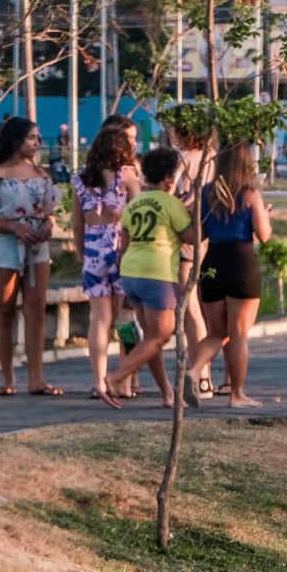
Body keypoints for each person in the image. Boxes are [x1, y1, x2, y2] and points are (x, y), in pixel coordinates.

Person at [0, 117, 61, 397]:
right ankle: (7, 377)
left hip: (36, 247)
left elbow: (50, 211)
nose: (37, 143)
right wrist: (12, 226)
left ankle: (37, 377)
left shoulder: (41, 175)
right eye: (32, 138)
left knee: (36, 310)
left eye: (37, 138)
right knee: (4, 309)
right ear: (16, 140)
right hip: (6, 245)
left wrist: (48, 224)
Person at [185, 141, 271, 409]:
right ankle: (237, 394)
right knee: (238, 333)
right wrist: (266, 215)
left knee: (216, 332)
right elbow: (265, 236)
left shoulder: (208, 193)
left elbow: (195, 235)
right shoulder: (250, 195)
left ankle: (193, 371)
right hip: (241, 263)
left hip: (213, 263)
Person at [109, 146, 195, 407]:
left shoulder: (134, 203)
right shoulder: (171, 204)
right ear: (169, 179)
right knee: (161, 334)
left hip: (131, 271)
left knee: (151, 337)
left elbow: (123, 242)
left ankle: (167, 393)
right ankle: (116, 378)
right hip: (157, 273)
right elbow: (192, 237)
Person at [73, 126, 139, 403]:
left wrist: (80, 252)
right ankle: (124, 380)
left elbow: (78, 224)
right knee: (125, 319)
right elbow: (136, 213)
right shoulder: (127, 176)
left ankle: (99, 381)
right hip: (121, 249)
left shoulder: (80, 180)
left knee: (99, 320)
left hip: (92, 250)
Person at [170, 120, 214, 397]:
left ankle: (200, 376)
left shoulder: (183, 159)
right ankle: (203, 375)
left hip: (186, 233)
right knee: (196, 306)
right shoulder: (212, 158)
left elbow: (173, 191)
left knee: (189, 308)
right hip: (206, 234)